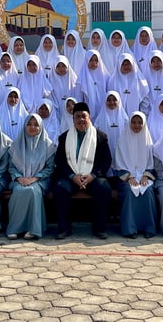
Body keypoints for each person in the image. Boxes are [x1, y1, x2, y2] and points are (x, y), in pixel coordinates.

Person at [53, 101, 113, 239]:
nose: (81, 119)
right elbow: (60, 161)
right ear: (73, 119)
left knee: (104, 188)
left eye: (83, 116)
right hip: (71, 177)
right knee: (60, 188)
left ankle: (99, 229)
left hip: (92, 177)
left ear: (89, 117)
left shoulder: (100, 137)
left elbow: (106, 161)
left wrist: (93, 175)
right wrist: (72, 176)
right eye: (77, 116)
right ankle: (64, 229)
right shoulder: (64, 137)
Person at [7, 114, 56, 240]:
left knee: (32, 190)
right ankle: (15, 228)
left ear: (41, 127)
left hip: (40, 180)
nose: (32, 127)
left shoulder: (48, 145)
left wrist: (34, 178)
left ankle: (33, 229)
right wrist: (19, 178)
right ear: (24, 126)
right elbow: (11, 167)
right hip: (19, 180)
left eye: (36, 124)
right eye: (29, 124)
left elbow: (50, 168)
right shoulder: (17, 144)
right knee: (19, 190)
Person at [113, 112, 157, 239]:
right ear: (129, 123)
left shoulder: (148, 142)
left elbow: (151, 163)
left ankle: (149, 228)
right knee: (129, 190)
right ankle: (130, 229)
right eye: (133, 122)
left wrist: (146, 176)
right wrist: (129, 177)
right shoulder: (122, 141)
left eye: (139, 122)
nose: (136, 125)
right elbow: (118, 164)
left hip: (143, 176)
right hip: (126, 177)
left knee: (148, 191)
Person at [77, 49, 111, 120]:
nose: (94, 62)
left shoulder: (106, 77)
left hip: (104, 112)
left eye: (96, 60)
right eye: (91, 60)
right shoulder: (82, 78)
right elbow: (79, 98)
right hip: (88, 113)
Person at [95, 91, 129, 157]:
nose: (111, 102)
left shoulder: (125, 119)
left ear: (118, 101)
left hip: (121, 150)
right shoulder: (99, 119)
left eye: (114, 100)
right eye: (109, 100)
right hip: (105, 150)